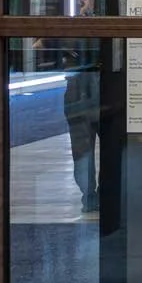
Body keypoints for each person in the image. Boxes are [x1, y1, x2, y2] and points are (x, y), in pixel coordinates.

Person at [61, 39, 102, 213]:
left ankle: (91, 195)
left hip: (84, 94)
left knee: (83, 150)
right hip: (82, 94)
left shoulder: (73, 35)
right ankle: (92, 195)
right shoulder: (75, 35)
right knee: (83, 150)